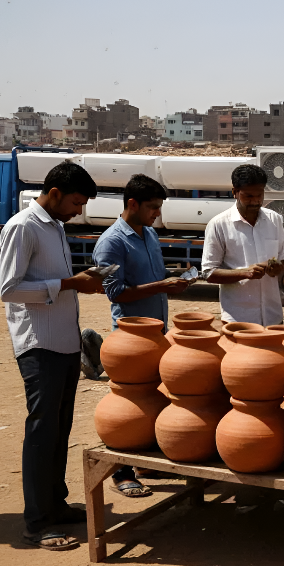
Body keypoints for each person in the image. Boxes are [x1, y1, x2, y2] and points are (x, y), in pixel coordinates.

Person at [0, 161, 105, 551]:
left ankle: (55, 505)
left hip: (63, 342)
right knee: (42, 433)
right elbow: (9, 288)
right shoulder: (23, 226)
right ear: (55, 193)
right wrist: (67, 283)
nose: (78, 211)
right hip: (38, 345)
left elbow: (54, 282)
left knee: (58, 431)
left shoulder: (55, 226)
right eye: (76, 202)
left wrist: (81, 281)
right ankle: (37, 522)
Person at [92, 174, 189, 499]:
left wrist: (175, 279)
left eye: (159, 208)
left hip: (157, 335)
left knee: (154, 400)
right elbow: (115, 293)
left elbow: (155, 279)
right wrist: (163, 286)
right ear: (132, 204)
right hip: (130, 339)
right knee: (128, 407)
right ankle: (120, 472)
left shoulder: (147, 234)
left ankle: (145, 462)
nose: (156, 215)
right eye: (152, 208)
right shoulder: (111, 242)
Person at [202, 164, 284, 327]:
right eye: (248, 196)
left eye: (259, 195)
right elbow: (209, 273)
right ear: (234, 192)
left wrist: (277, 266)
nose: (255, 201)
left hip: (273, 318)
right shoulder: (218, 225)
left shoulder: (275, 220)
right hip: (238, 320)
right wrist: (245, 272)